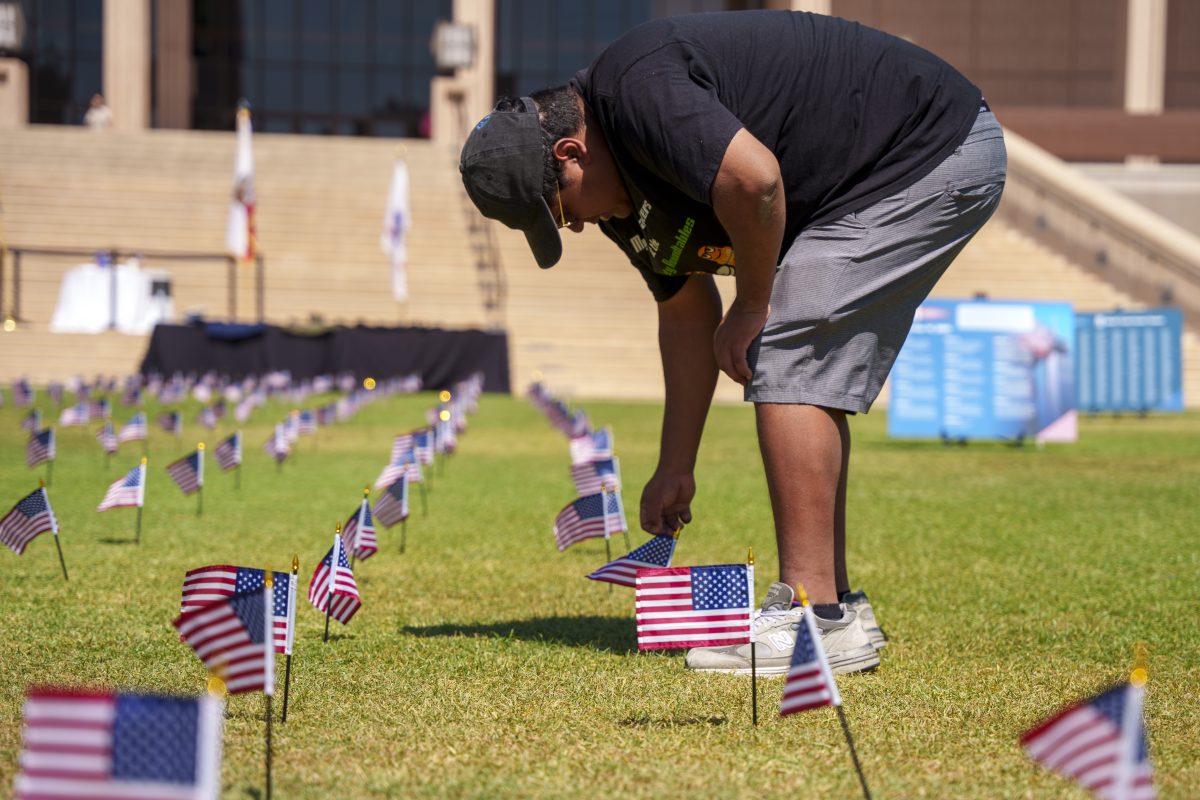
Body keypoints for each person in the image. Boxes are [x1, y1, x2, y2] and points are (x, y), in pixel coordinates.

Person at [460, 10, 1006, 675]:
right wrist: (674, 464)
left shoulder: (634, 91)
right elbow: (688, 313)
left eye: (562, 208)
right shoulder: (622, 203)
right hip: (895, 167)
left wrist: (753, 304)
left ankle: (812, 617)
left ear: (570, 153)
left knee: (785, 346)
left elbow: (755, 179)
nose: (572, 227)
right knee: (802, 361)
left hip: (921, 148)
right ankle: (838, 607)